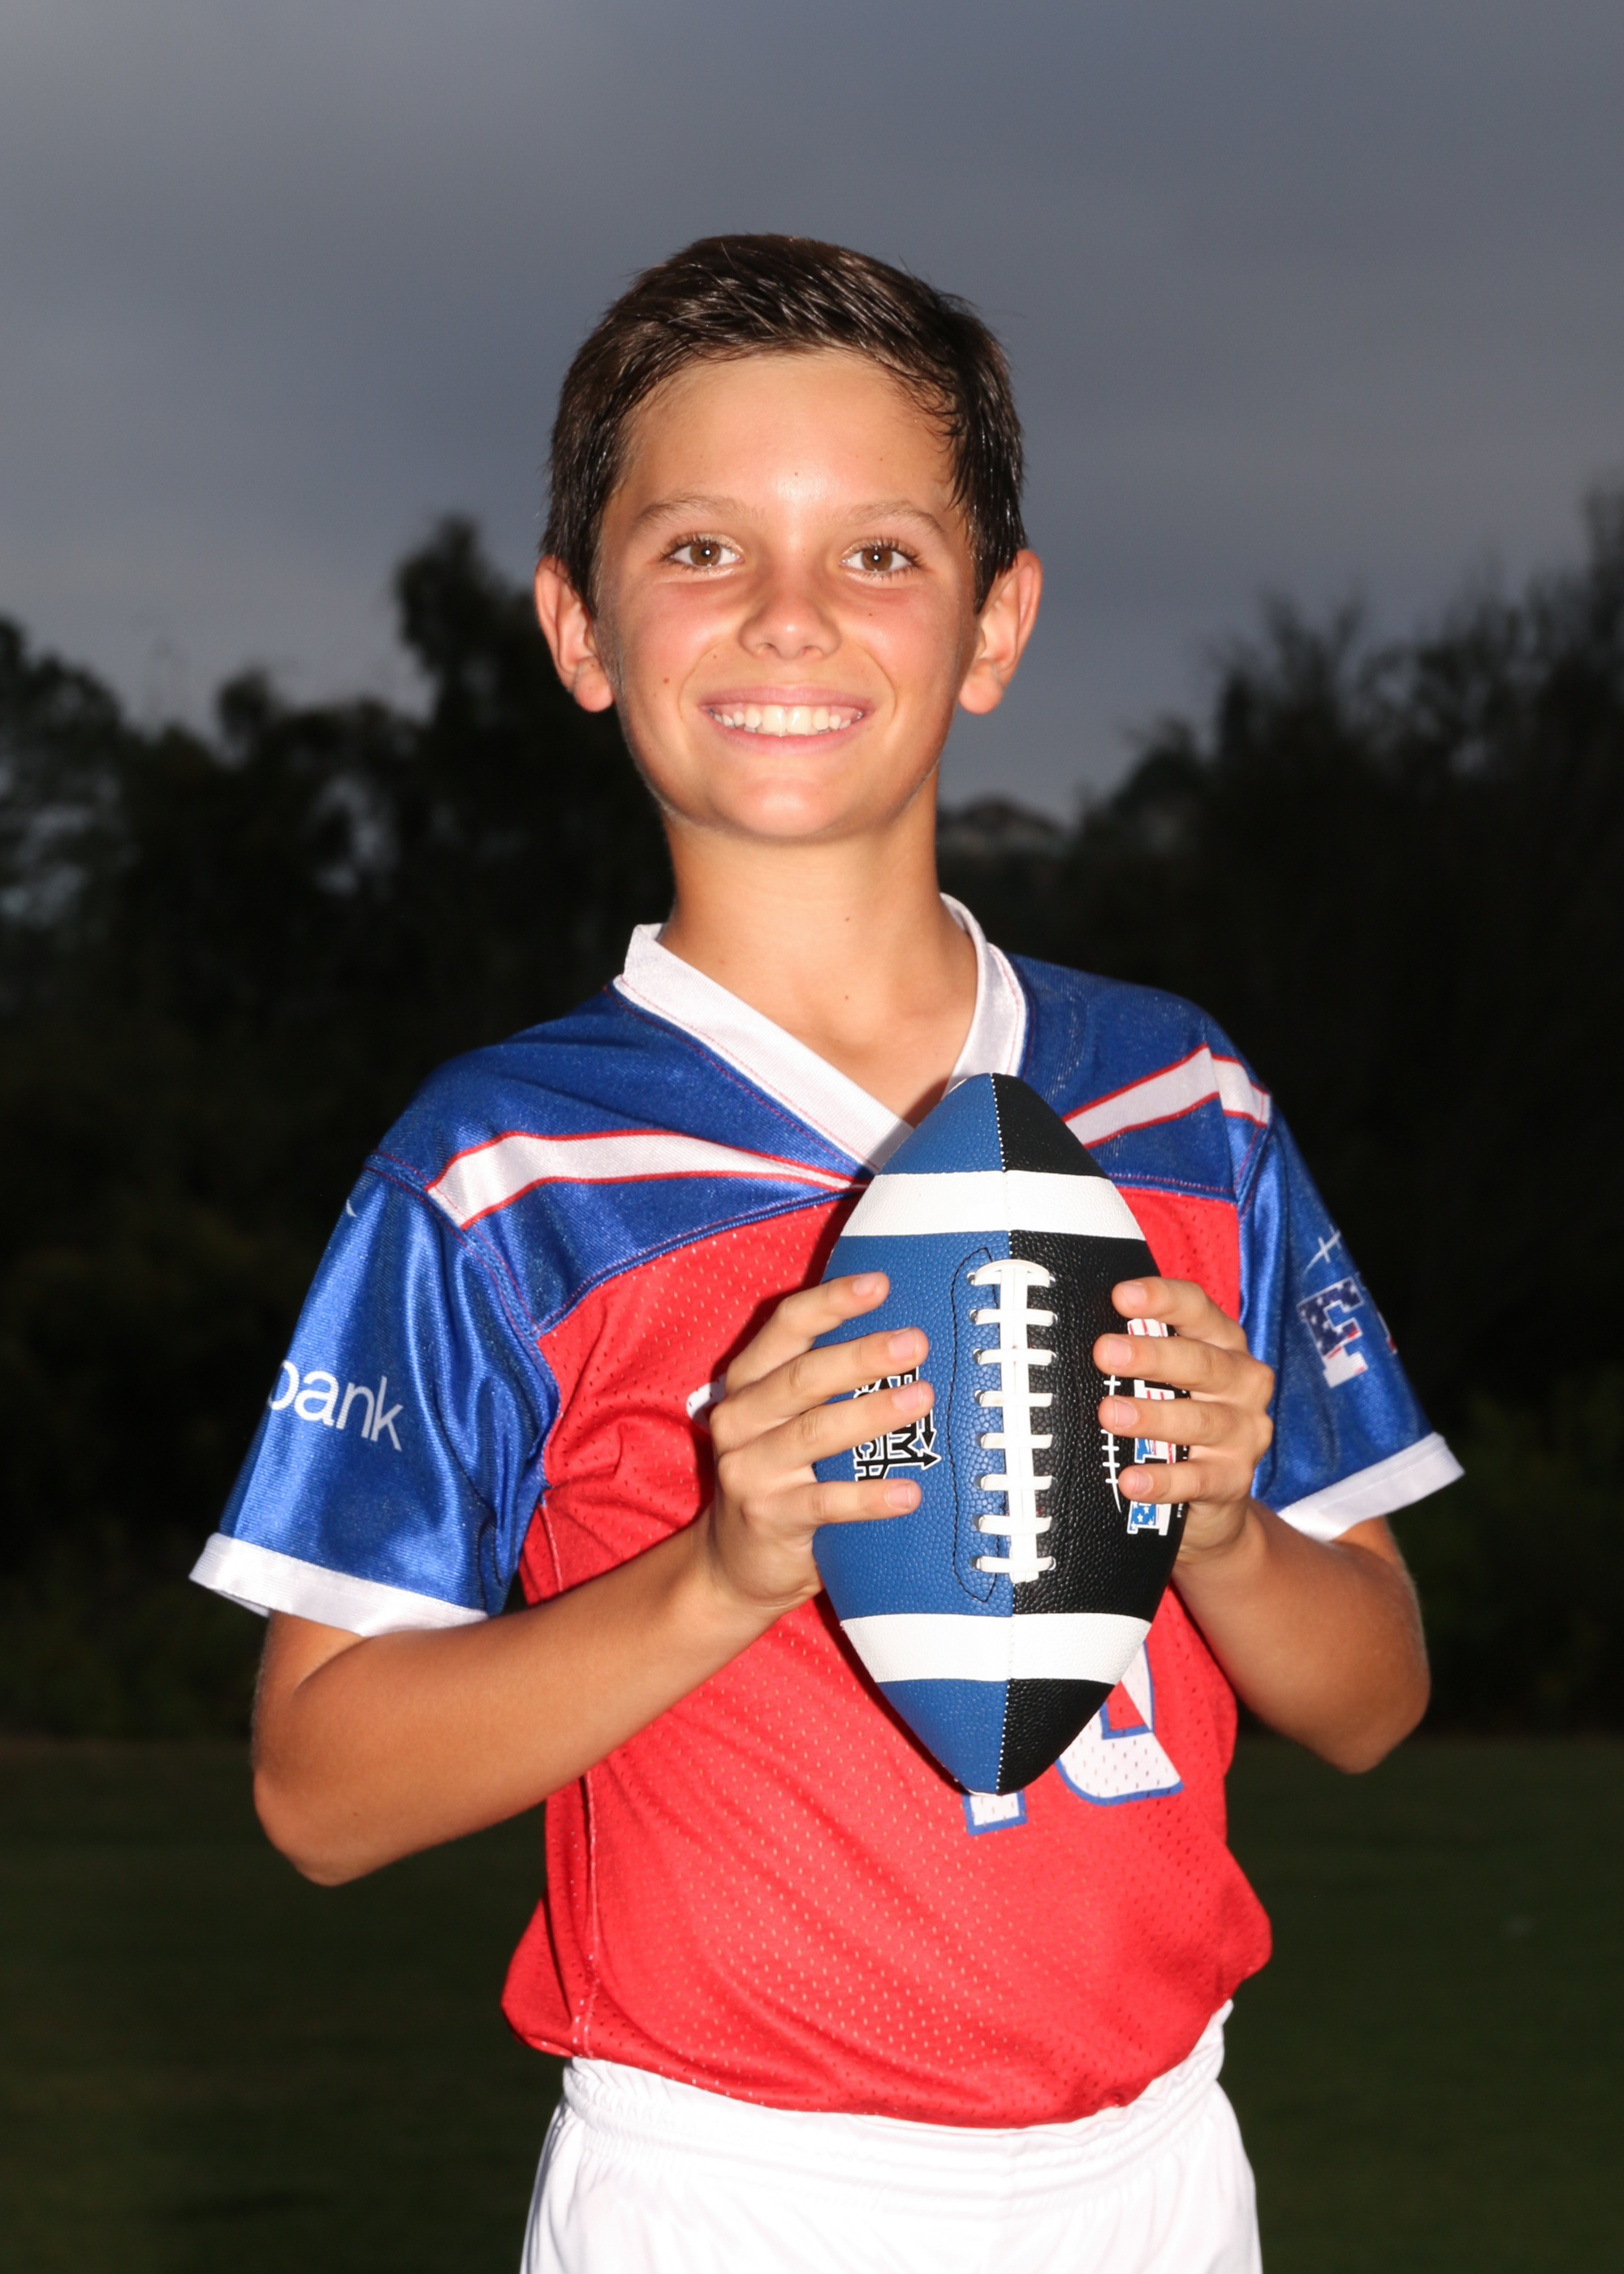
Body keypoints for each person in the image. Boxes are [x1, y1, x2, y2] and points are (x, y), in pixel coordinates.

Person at [191, 236, 1458, 2273]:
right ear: (577, 624)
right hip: (735, 2185)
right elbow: (318, 1793)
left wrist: (1219, 1526)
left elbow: (1376, 1691)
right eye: (701, 547)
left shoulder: (1178, 1101)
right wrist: (722, 1565)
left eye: (878, 552)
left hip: (1158, 2163)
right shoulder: (503, 1166)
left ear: (995, 621)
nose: (789, 613)